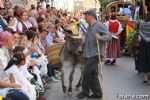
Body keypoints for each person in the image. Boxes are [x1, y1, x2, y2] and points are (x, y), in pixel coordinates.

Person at [77, 10, 111, 99]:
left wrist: (100, 37)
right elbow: (88, 39)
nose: (84, 18)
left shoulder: (99, 25)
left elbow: (109, 36)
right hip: (88, 53)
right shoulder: (89, 27)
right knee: (93, 74)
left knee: (86, 72)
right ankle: (97, 93)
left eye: (86, 16)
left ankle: (85, 92)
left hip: (95, 54)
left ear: (90, 16)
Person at [136, 13, 150, 83]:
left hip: (144, 43)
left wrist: (144, 37)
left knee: (144, 59)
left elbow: (140, 32)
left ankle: (145, 78)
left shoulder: (142, 24)